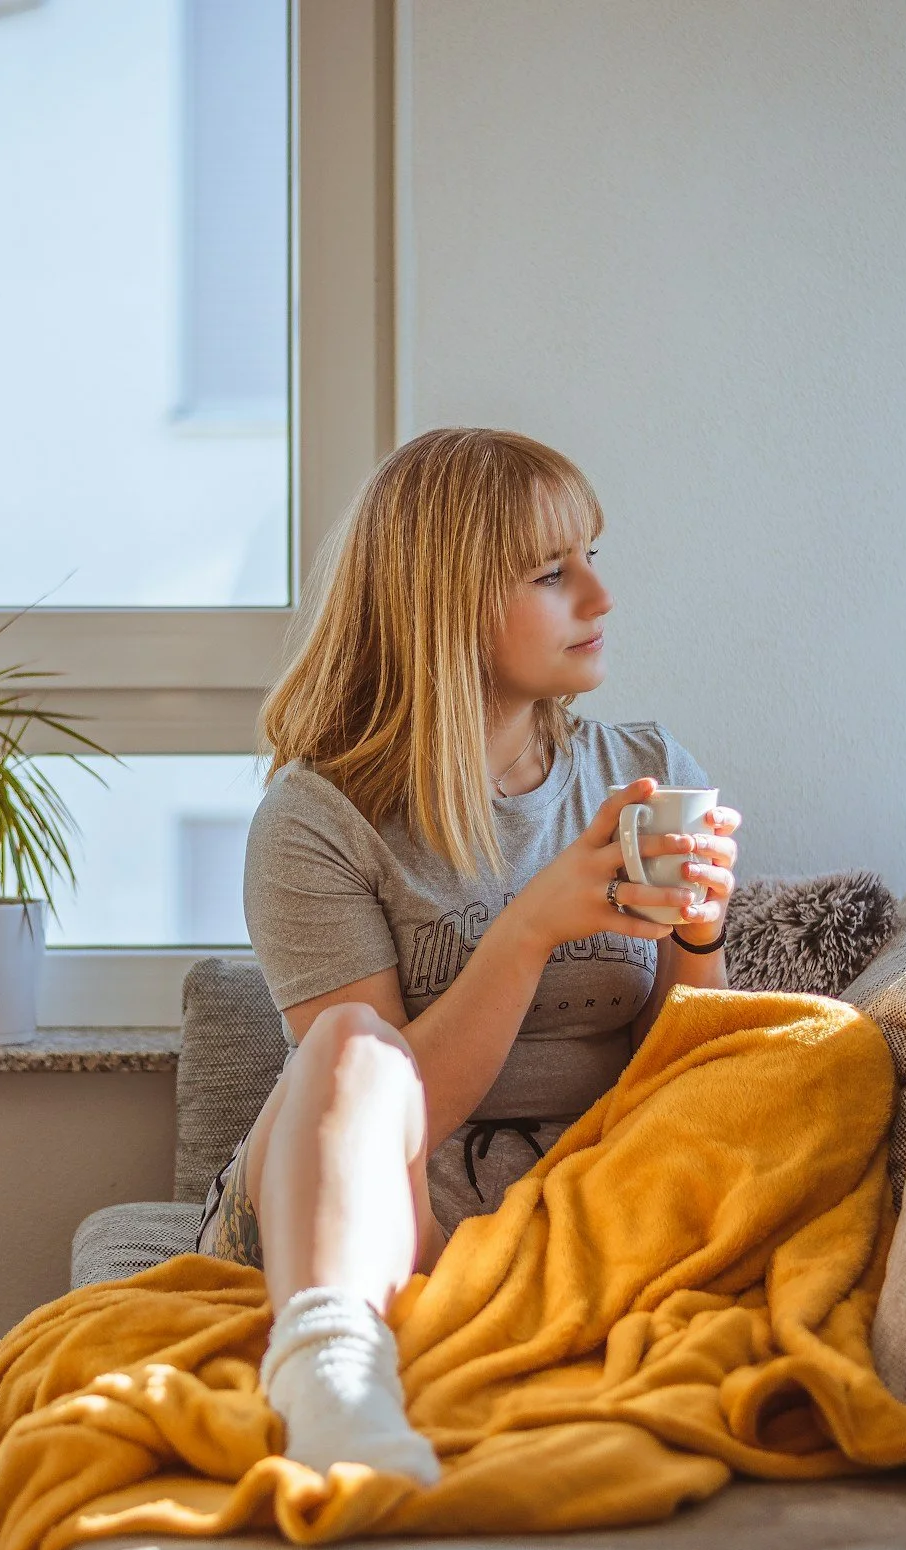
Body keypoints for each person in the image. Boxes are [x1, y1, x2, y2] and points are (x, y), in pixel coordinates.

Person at [202, 427, 743, 1484]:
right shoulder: (318, 820)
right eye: (551, 572)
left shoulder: (643, 771)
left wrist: (698, 937)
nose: (599, 596)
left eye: (592, 555)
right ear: (444, 605)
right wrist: (529, 927)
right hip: (359, 1191)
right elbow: (394, 1110)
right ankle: (331, 1369)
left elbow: (682, 1086)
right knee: (355, 1044)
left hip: (572, 1191)